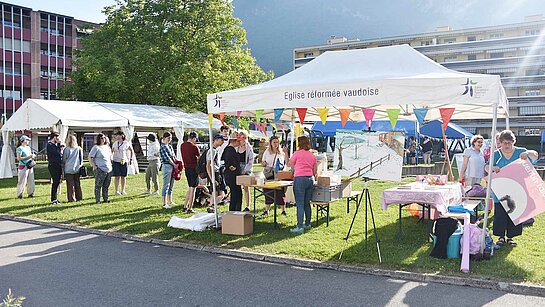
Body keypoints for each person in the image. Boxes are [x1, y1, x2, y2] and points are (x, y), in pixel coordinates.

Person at [489, 130, 538, 247]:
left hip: (517, 189)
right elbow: (486, 166)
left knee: (514, 213)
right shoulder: (496, 154)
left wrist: (529, 153)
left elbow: (535, 156)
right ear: (500, 142)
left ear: (513, 142)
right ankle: (501, 237)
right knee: (500, 215)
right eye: (504, 143)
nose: (507, 145)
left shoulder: (521, 151)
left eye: (509, 143)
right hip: (500, 190)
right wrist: (492, 167)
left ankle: (510, 237)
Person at [287, 136, 317, 233]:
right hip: (310, 178)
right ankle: (307, 223)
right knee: (306, 203)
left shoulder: (297, 154)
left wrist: (285, 153)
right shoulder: (312, 155)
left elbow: (289, 164)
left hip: (300, 178)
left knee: (299, 204)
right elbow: (315, 170)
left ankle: (300, 226)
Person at [261, 136, 288, 216]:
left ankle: (283, 210)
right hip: (269, 173)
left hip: (278, 174)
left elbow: (285, 163)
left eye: (277, 142)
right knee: (268, 191)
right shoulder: (267, 152)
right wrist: (264, 163)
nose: (276, 144)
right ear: (270, 143)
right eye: (274, 142)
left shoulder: (281, 152)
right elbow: (263, 162)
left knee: (280, 192)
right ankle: (266, 210)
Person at [89, 133, 113, 204]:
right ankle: (98, 200)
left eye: (104, 138)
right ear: (98, 139)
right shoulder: (96, 147)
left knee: (106, 186)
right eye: (101, 138)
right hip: (100, 169)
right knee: (98, 186)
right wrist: (94, 166)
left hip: (108, 169)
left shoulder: (107, 147)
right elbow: (90, 157)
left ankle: (106, 198)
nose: (103, 139)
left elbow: (110, 157)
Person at [206, 134, 227, 213]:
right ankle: (211, 205)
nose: (222, 142)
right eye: (221, 140)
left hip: (216, 173)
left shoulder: (215, 150)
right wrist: (212, 178)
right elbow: (209, 165)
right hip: (214, 173)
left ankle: (212, 206)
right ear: (216, 140)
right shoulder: (212, 150)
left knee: (216, 193)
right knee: (220, 194)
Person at [181, 131, 201, 213]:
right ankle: (190, 207)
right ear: (194, 138)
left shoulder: (182, 145)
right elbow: (199, 157)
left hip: (186, 168)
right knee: (193, 188)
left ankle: (185, 205)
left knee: (190, 187)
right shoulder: (194, 147)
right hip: (193, 168)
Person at [236, 130, 255, 212]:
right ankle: (238, 204)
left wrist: (246, 170)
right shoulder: (237, 147)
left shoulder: (248, 147)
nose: (242, 139)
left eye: (244, 137)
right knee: (237, 187)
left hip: (245, 167)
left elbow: (251, 160)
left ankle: (247, 206)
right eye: (240, 137)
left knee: (246, 187)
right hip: (237, 167)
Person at [222, 136, 242, 211]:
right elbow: (228, 161)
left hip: (232, 174)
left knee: (236, 193)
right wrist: (231, 166)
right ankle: (234, 210)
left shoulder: (230, 149)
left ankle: (235, 210)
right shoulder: (230, 150)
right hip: (232, 175)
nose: (239, 143)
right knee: (236, 193)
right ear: (233, 141)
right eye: (238, 141)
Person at [111, 131, 134, 195]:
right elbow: (112, 151)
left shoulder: (126, 143)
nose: (117, 136)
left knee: (123, 176)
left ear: (122, 136)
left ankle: (123, 190)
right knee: (116, 176)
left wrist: (130, 158)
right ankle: (116, 190)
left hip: (124, 161)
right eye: (116, 135)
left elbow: (131, 150)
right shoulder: (115, 143)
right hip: (116, 161)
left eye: (118, 135)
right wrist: (111, 157)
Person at [63, 135, 84, 202]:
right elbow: (81, 159)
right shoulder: (79, 148)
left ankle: (71, 198)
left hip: (68, 169)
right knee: (77, 184)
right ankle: (79, 197)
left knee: (70, 185)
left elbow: (64, 159)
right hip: (77, 168)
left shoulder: (66, 149)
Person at [160, 131, 177, 209]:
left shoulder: (169, 146)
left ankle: (170, 200)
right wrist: (174, 164)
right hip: (167, 166)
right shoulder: (162, 147)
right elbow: (167, 158)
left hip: (172, 166)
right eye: (168, 138)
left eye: (170, 138)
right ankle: (164, 202)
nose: (170, 139)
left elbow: (173, 156)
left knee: (171, 184)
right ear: (164, 138)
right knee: (166, 185)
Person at [46, 131, 62, 205]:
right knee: (55, 182)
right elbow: (57, 153)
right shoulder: (50, 145)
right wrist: (59, 144)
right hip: (53, 165)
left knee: (57, 181)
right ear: (54, 137)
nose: (58, 139)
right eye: (57, 137)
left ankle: (55, 198)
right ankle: (53, 199)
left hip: (58, 165)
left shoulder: (54, 145)